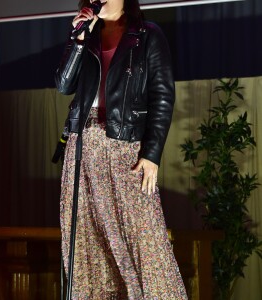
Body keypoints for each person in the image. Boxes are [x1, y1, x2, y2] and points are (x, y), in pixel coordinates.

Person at [55, 0, 187, 298]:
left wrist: (152, 153)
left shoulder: (147, 35)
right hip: (82, 143)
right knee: (88, 236)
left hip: (125, 146)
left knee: (142, 239)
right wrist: (77, 39)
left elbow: (162, 96)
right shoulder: (85, 35)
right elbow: (64, 84)